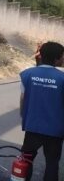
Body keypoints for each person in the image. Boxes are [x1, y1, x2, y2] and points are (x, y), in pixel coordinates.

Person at [19, 41, 64, 181]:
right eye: (63, 56)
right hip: (55, 130)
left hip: (32, 128)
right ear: (57, 58)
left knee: (25, 161)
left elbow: (22, 99)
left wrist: (25, 117)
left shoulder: (27, 74)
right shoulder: (62, 78)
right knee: (52, 163)